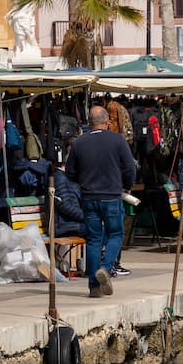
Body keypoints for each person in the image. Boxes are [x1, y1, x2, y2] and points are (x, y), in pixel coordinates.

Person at [66, 105, 135, 296]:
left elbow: (70, 172)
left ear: (89, 123)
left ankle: (94, 287)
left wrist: (82, 182)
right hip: (112, 196)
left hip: (89, 197)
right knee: (115, 234)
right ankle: (105, 267)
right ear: (107, 122)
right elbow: (130, 167)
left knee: (94, 239)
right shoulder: (117, 140)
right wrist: (127, 185)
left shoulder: (79, 143)